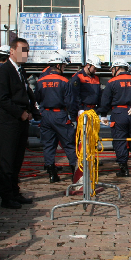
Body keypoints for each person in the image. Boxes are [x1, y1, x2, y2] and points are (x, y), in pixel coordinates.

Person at [0, 38, 41, 209]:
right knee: (8, 160)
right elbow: (3, 99)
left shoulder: (21, 71)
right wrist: (20, 113)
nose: (25, 54)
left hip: (21, 122)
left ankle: (15, 192)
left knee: (18, 159)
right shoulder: (4, 71)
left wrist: (34, 113)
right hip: (8, 122)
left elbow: (28, 94)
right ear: (12, 51)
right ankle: (6, 197)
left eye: (27, 50)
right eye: (22, 50)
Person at [99, 60, 131, 177]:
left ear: (117, 68)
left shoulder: (112, 82)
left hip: (118, 113)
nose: (112, 71)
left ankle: (124, 169)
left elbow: (105, 101)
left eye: (112, 69)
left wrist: (103, 115)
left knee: (119, 141)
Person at [35, 53, 78, 184]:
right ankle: (75, 174)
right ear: (59, 65)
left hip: (46, 115)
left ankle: (52, 174)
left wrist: (42, 112)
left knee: (48, 145)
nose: (64, 68)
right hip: (60, 115)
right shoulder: (65, 81)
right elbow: (70, 102)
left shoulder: (40, 81)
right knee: (69, 144)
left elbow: (37, 99)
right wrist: (73, 118)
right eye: (64, 66)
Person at [70, 56, 102, 121]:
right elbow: (75, 95)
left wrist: (99, 109)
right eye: (94, 68)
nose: (95, 70)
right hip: (83, 109)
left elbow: (99, 95)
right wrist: (80, 108)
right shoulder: (78, 77)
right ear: (88, 65)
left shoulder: (96, 78)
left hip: (94, 110)